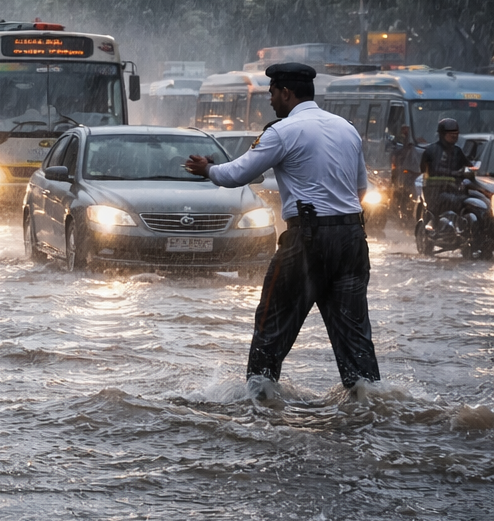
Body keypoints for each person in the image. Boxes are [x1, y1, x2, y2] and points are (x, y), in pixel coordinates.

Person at [184, 62, 380, 394]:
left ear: (286, 93)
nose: (271, 101)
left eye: (273, 93)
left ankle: (258, 402)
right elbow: (360, 191)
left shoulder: (282, 131)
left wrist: (208, 169)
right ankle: (369, 403)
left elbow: (236, 175)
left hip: (307, 240)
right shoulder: (347, 129)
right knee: (354, 335)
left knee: (271, 326)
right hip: (352, 239)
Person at [420, 117, 471, 220]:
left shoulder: (457, 151)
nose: (454, 135)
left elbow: (469, 167)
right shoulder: (431, 150)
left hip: (453, 191)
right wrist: (451, 173)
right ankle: (431, 226)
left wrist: (475, 172)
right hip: (434, 192)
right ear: (442, 134)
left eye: (456, 133)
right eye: (450, 133)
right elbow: (423, 169)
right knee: (436, 213)